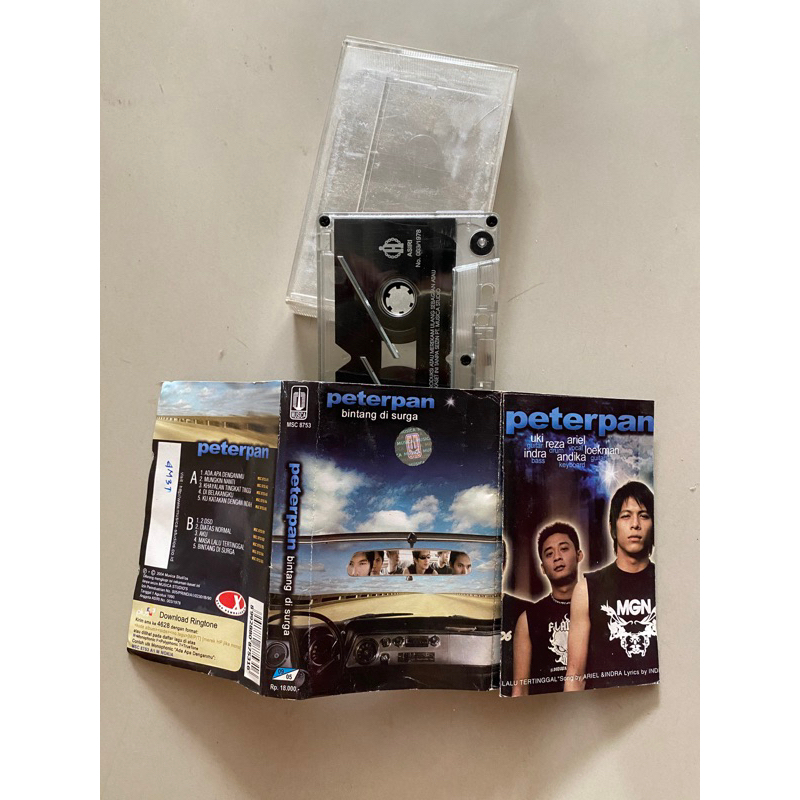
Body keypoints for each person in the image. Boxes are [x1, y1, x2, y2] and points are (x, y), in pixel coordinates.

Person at [565, 481, 657, 691]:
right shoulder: (587, 588)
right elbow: (575, 674)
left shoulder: (667, 582)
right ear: (612, 528)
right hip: (603, 706)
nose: (635, 524)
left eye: (644, 515)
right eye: (626, 516)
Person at [511, 523, 583, 696]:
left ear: (579, 555)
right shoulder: (528, 619)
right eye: (549, 554)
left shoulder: (598, 606)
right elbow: (520, 688)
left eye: (564, 549)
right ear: (543, 568)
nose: (557, 557)